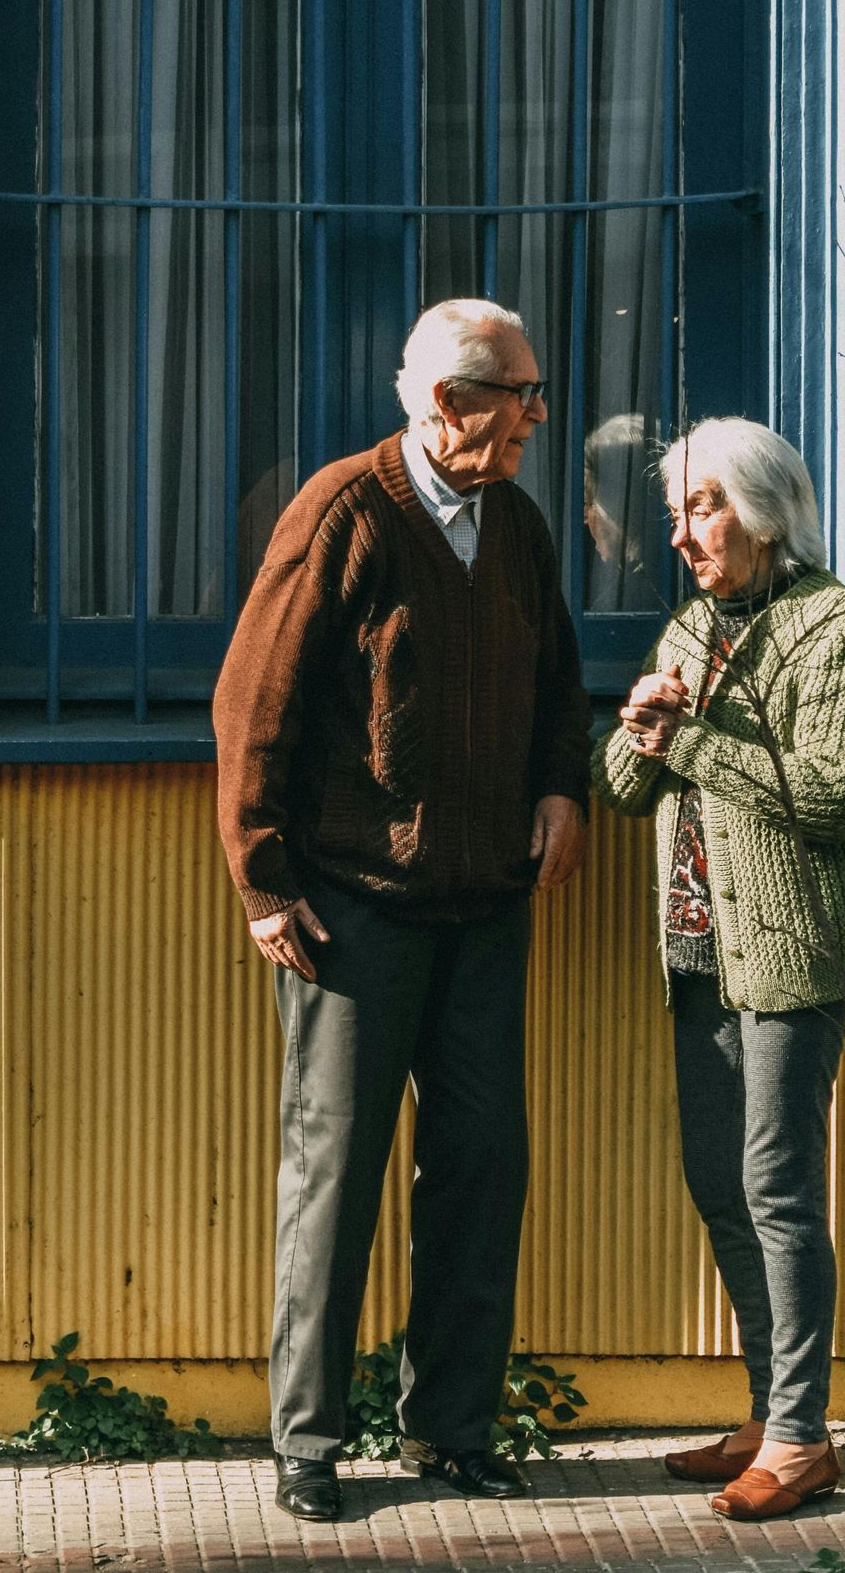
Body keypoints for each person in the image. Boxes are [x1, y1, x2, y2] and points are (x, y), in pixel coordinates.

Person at [214, 297, 592, 1523]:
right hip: (352, 906)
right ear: (450, 403)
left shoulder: (517, 524)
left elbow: (556, 678)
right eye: (523, 395)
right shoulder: (343, 511)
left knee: (483, 1165)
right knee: (339, 1169)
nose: (539, 416)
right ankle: (310, 1442)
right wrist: (264, 880)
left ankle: (452, 1428)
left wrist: (560, 788)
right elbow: (253, 702)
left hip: (486, 899)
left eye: (535, 394)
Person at [592, 418, 845, 1523]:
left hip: (789, 949)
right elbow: (623, 786)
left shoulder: (835, 630)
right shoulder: (688, 625)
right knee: (719, 1182)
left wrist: (696, 742)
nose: (682, 533)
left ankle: (807, 1437)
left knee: (777, 1187)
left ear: (763, 510)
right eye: (674, 513)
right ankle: (771, 1411)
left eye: (701, 507)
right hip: (696, 950)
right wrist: (640, 725)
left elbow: (831, 795)